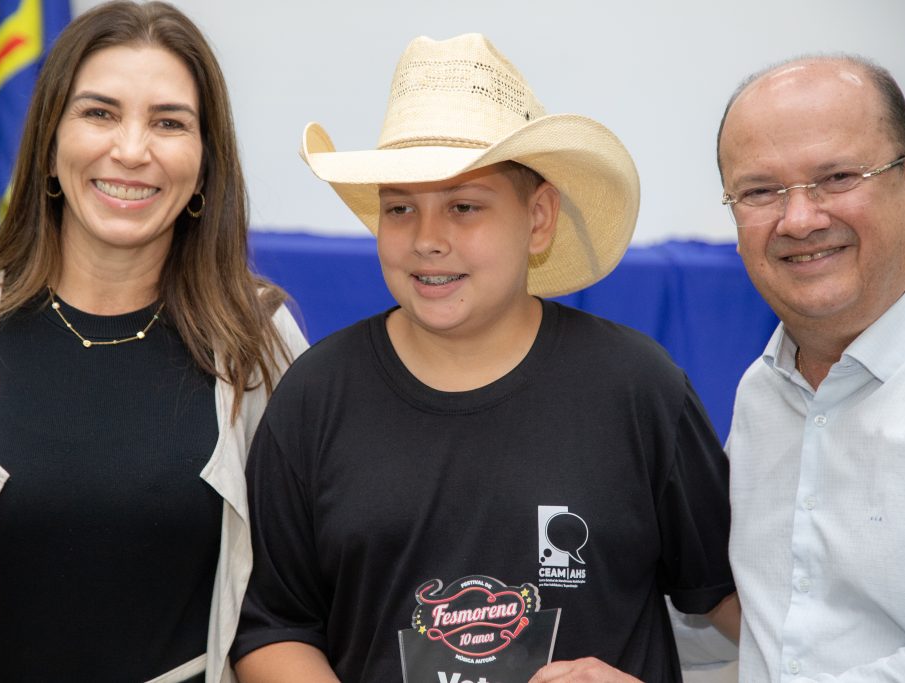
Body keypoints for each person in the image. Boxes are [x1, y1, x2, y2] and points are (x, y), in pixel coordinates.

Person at [232, 33, 739, 683]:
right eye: (400, 208)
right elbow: (275, 625)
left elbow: (742, 600)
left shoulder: (639, 390)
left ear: (539, 219)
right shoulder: (314, 396)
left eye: (465, 206)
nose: (428, 240)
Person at [0, 2, 308, 681]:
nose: (130, 148)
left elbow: (302, 599)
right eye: (99, 113)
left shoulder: (259, 345)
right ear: (50, 148)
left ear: (205, 165)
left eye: (169, 122)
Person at [718, 54, 905, 680]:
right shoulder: (763, 392)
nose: (800, 218)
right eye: (760, 191)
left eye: (837, 177)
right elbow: (753, 618)